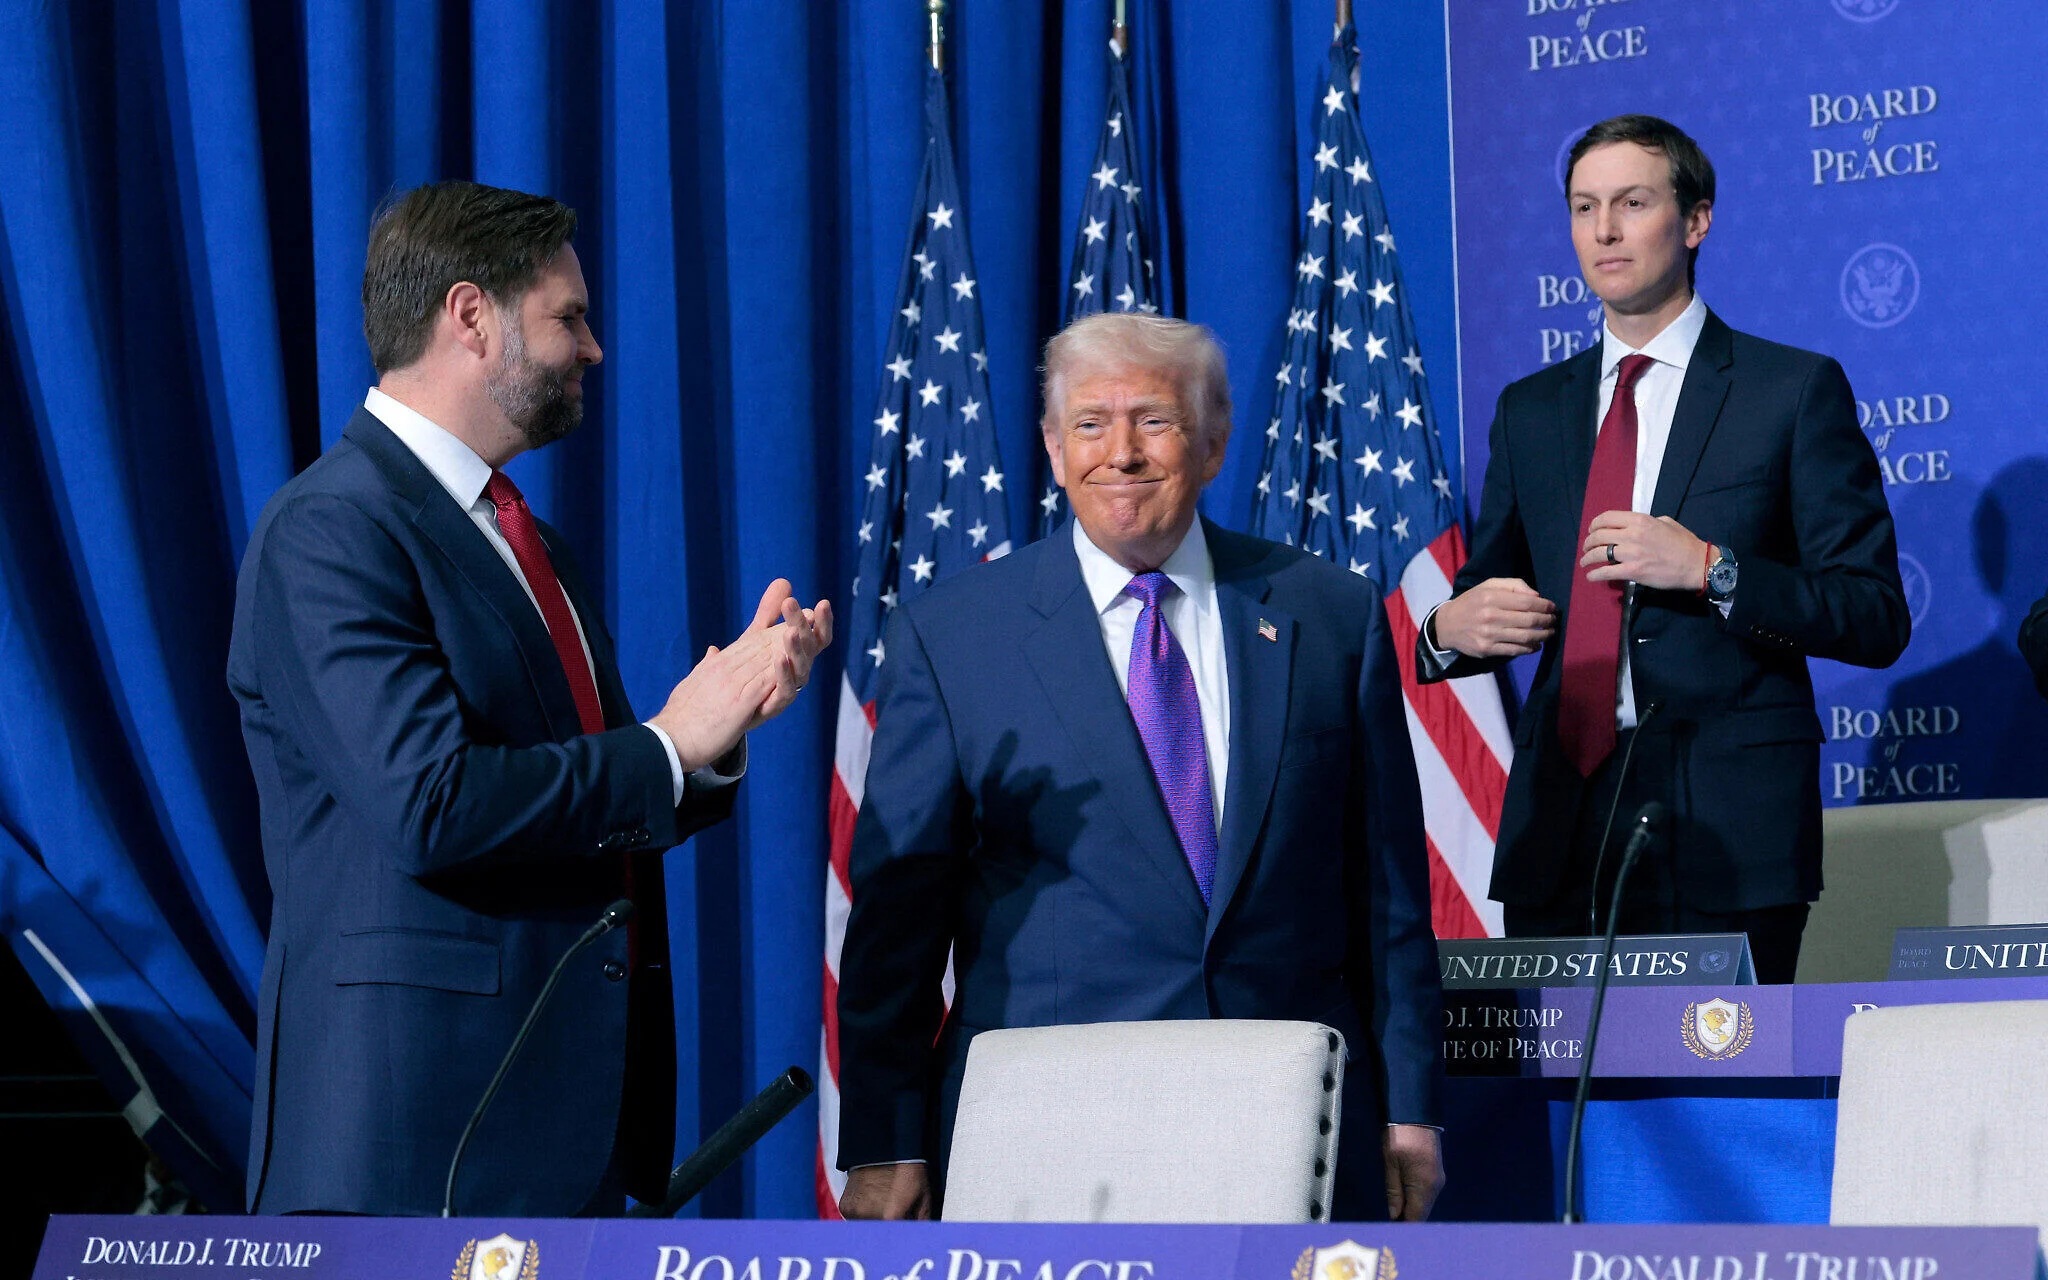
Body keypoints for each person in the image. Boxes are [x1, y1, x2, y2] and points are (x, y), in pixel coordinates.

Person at [227, 181, 830, 1216]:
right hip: (415, 1150)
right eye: (568, 317)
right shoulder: (331, 529)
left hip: (564, 1139)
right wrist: (662, 744)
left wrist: (708, 736)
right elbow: (431, 805)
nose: (592, 348)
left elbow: (593, 802)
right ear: (470, 316)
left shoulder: (526, 541)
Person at [834, 313, 1444, 1222]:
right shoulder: (955, 637)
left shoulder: (1331, 615)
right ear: (1050, 445)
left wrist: (1411, 1111)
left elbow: (1388, 899)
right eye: (1089, 423)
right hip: (1049, 1137)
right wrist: (885, 1137)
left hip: (1295, 1127)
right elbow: (896, 920)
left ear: (1213, 440)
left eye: (1153, 420)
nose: (1120, 452)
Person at [1418, 115, 1907, 983]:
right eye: (1583, 207)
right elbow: (1486, 586)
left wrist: (1711, 571)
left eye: (1632, 202)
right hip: (1558, 828)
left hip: (1726, 830)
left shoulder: (1790, 391)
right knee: (1554, 1116)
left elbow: (1872, 615)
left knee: (1722, 1105)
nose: (1603, 231)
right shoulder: (1529, 410)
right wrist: (1451, 626)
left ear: (1696, 219)